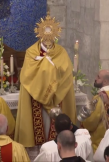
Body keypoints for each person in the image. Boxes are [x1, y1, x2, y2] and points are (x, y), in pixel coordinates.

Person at [15, 14, 76, 147]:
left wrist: (50, 66)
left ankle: (57, 146)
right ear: (40, 34)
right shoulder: (31, 52)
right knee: (40, 126)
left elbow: (66, 73)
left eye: (50, 34)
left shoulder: (61, 52)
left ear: (55, 35)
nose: (48, 39)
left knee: (54, 127)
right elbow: (27, 74)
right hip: (36, 98)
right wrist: (45, 63)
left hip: (57, 99)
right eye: (45, 34)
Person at [82, 70, 109, 152]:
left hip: (100, 141)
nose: (95, 79)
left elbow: (92, 121)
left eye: (98, 77)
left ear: (105, 81)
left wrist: (83, 123)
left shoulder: (99, 97)